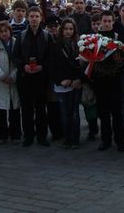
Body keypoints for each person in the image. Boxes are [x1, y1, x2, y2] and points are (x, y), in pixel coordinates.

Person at [13, 6, 52, 147]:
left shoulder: (47, 36)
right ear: (28, 18)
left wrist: (42, 66)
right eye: (31, 16)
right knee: (27, 109)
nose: (34, 19)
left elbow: (50, 56)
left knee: (41, 108)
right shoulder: (21, 36)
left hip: (41, 78)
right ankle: (28, 136)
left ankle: (42, 136)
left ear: (41, 18)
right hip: (25, 77)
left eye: (36, 16)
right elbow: (15, 56)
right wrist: (24, 66)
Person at [95, 10, 124, 151]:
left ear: (113, 22)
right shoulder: (95, 39)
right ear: (100, 22)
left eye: (109, 21)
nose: (107, 23)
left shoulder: (118, 37)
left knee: (117, 113)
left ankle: (120, 141)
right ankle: (106, 140)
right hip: (100, 80)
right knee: (103, 113)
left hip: (115, 81)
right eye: (104, 21)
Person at [49, 18, 83, 149]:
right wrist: (60, 80)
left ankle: (75, 138)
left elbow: (82, 65)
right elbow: (52, 66)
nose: (68, 32)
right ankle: (67, 138)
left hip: (75, 83)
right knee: (64, 112)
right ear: (61, 30)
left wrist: (78, 80)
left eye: (71, 29)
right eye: (66, 29)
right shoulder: (55, 45)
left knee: (74, 112)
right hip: (62, 84)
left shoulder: (79, 44)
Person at [0, 21, 21, 144]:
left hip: (13, 81)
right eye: (1, 32)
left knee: (14, 109)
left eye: (5, 31)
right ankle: (2, 135)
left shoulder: (17, 43)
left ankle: (16, 134)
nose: (4, 34)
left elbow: (20, 61)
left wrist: (13, 76)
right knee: (1, 111)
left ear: (10, 31)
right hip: (0, 83)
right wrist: (1, 75)